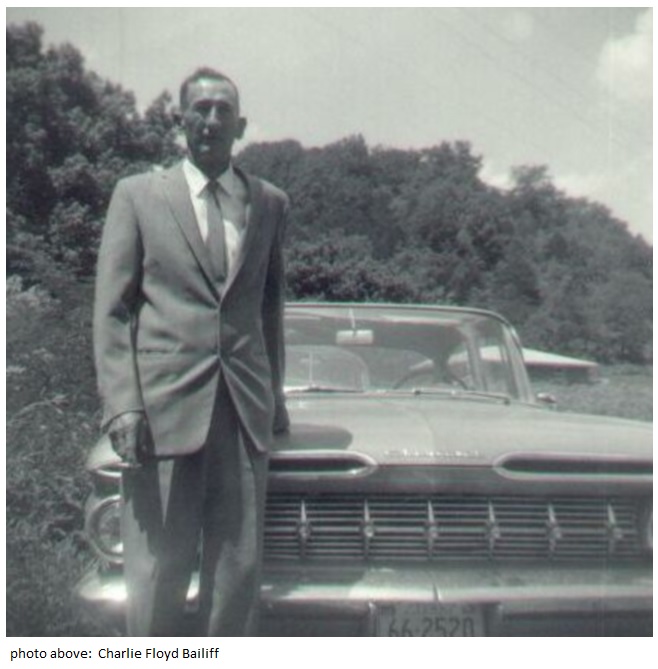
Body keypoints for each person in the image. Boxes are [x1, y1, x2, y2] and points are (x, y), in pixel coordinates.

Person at [93, 67, 289, 636]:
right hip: (161, 415)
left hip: (242, 413)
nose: (211, 120)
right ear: (180, 121)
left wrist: (274, 401)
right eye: (200, 109)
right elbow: (112, 309)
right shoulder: (137, 196)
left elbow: (270, 310)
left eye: (223, 110)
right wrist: (123, 405)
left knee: (237, 577)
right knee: (158, 574)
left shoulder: (270, 203)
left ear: (241, 125)